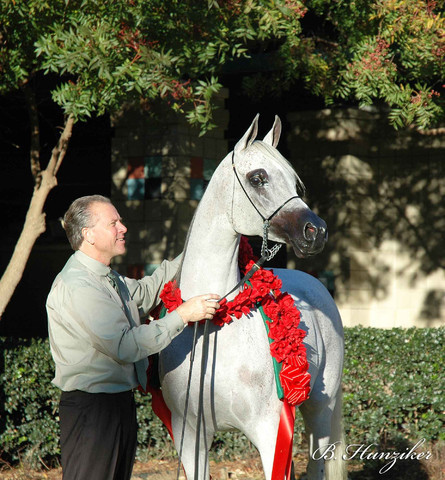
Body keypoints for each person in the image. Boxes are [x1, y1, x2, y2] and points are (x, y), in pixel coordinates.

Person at [46, 194, 220, 480]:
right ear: (88, 234)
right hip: (94, 411)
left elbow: (146, 291)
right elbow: (125, 346)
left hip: (115, 405)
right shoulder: (79, 285)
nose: (123, 228)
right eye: (113, 223)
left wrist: (197, 248)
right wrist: (183, 315)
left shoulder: (106, 278)